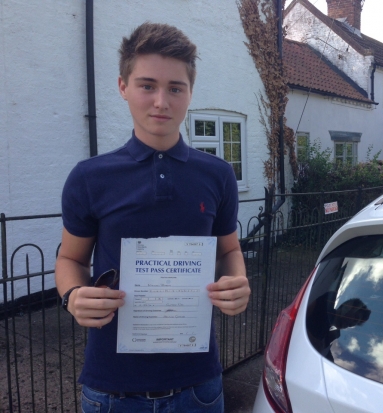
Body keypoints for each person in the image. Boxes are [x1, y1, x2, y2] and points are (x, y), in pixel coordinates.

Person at [55, 22, 250, 413]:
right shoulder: (89, 177)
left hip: (198, 387)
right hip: (112, 390)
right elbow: (70, 259)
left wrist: (236, 283)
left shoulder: (217, 174)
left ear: (190, 93)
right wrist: (73, 296)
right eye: (147, 85)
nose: (161, 101)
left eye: (175, 88)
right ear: (123, 87)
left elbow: (229, 249)